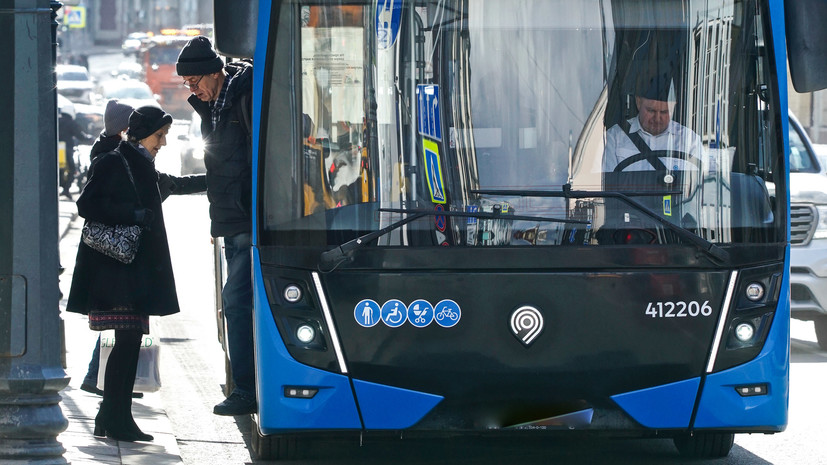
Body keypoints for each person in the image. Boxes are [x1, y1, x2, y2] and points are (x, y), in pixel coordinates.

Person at [66, 105, 206, 442]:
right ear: (143, 134)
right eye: (160, 135)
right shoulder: (115, 161)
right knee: (127, 342)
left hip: (132, 273)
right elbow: (87, 205)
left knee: (129, 343)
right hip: (117, 273)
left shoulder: (141, 164)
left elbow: (174, 184)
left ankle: (113, 416)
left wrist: (220, 179)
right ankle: (115, 418)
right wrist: (133, 214)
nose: (164, 143)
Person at [176, 35, 256, 416]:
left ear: (213, 72)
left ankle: (247, 390)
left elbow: (254, 163)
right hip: (229, 223)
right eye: (187, 85)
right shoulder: (213, 106)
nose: (192, 91)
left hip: (249, 222)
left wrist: (243, 209)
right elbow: (220, 170)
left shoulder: (244, 96)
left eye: (194, 82)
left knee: (236, 302)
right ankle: (248, 384)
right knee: (238, 305)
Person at [603, 73, 702, 172]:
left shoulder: (689, 141)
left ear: (673, 107)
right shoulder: (615, 137)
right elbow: (607, 178)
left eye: (664, 112)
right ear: (638, 102)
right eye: (651, 111)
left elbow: (697, 178)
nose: (657, 118)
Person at [58, 103, 93, 198]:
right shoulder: (71, 123)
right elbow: (80, 135)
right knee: (72, 169)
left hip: (57, 149)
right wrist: (89, 138)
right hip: (66, 149)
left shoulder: (57, 120)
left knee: (58, 169)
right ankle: (66, 189)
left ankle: (61, 186)